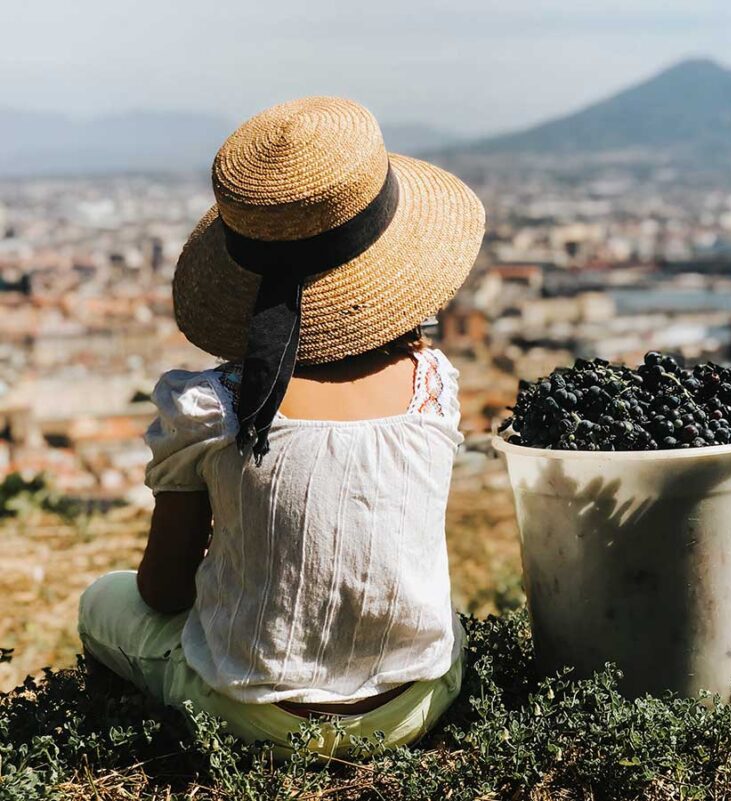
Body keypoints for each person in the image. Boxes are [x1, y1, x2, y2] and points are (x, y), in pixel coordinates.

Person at [77, 96, 485, 757]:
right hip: (413, 704)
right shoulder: (431, 391)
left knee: (104, 599)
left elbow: (161, 589)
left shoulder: (212, 407)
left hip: (255, 715)